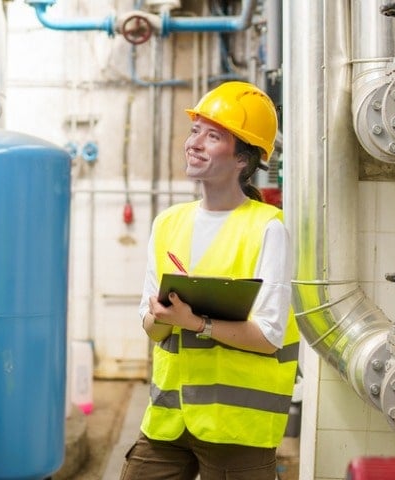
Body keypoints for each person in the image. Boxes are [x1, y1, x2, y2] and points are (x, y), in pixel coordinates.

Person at [120, 81, 298, 480]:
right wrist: (161, 317)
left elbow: (269, 336)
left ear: (242, 160)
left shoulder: (268, 228)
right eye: (194, 131)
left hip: (237, 428)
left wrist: (196, 323)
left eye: (213, 136)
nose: (194, 143)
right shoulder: (169, 222)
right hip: (169, 420)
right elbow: (150, 327)